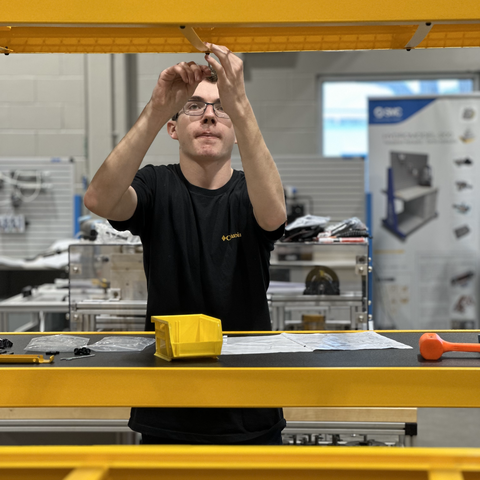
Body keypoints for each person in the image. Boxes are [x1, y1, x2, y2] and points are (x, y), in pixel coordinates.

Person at [84, 43, 287, 445]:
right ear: (173, 129)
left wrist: (240, 101)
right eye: (194, 107)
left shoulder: (252, 191)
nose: (210, 115)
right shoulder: (156, 185)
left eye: (220, 108)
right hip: (168, 402)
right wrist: (159, 107)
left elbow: (274, 216)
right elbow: (100, 200)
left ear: (235, 128)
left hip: (248, 405)